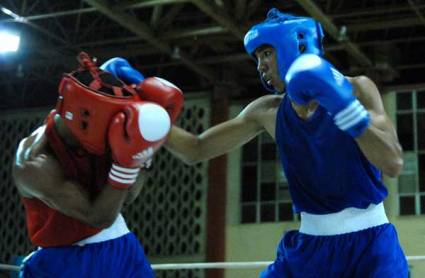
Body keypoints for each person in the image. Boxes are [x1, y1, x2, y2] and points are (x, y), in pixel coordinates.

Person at [103, 9, 408, 277]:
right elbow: (195, 149)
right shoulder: (268, 112)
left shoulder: (357, 89)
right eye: (257, 57)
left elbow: (392, 163)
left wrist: (344, 110)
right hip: (308, 250)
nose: (260, 65)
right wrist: (145, 107)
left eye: (266, 53)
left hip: (371, 247)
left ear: (293, 45)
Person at [12, 52, 183, 277]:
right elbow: (98, 216)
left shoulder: (94, 132)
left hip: (121, 243)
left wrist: (145, 150)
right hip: (66, 261)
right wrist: (126, 164)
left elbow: (128, 196)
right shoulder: (34, 162)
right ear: (85, 117)